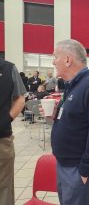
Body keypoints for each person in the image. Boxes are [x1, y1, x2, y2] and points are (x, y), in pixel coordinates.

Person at [50, 39, 89, 205]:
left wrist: (85, 170)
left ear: (68, 60)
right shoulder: (72, 85)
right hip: (65, 164)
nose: (53, 61)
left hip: (77, 168)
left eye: (55, 57)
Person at [0, 59, 26, 205]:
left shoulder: (8, 69)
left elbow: (20, 99)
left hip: (2, 140)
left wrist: (5, 120)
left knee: (4, 188)